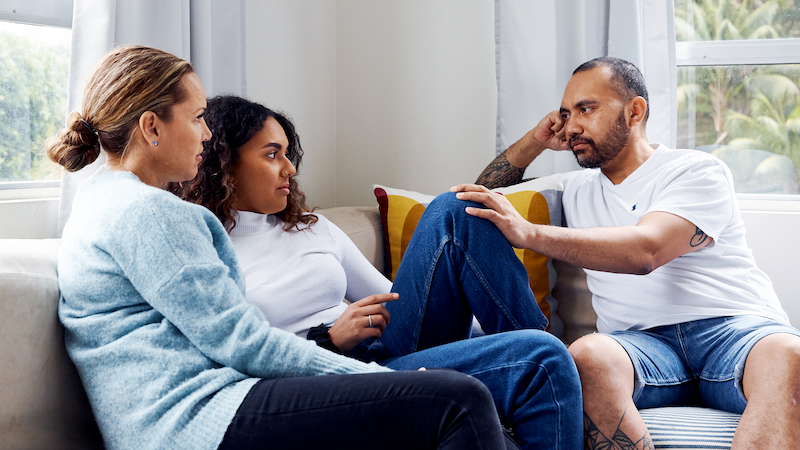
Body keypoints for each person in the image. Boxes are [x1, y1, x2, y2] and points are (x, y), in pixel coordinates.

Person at [47, 45, 525, 450]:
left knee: (458, 391)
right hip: (198, 420)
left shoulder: (101, 203)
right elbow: (244, 343)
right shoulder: (148, 213)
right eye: (196, 118)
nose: (207, 133)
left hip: (192, 412)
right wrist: (369, 379)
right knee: (457, 399)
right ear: (151, 127)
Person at [169, 94, 584, 450]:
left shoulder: (313, 229)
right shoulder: (200, 249)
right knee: (543, 358)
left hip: (383, 348)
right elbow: (230, 358)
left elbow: (400, 303)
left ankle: (534, 349)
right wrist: (328, 341)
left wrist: (487, 344)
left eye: (287, 155)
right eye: (271, 155)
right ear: (226, 163)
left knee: (455, 209)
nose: (289, 170)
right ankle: (545, 362)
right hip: (330, 378)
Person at [455, 56, 800, 450]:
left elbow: (646, 251)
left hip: (734, 331)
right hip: (641, 347)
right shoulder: (574, 187)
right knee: (583, 356)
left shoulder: (695, 170)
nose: (572, 125)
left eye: (587, 109)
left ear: (634, 111)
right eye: (566, 114)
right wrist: (536, 140)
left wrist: (531, 233)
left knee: (791, 354)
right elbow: (473, 202)